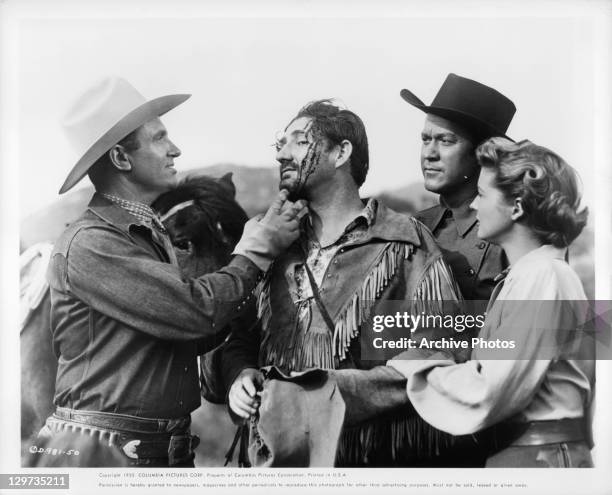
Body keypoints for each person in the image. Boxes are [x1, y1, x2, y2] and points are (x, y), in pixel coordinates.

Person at [37, 77, 307, 467]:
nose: (175, 149)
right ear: (120, 158)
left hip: (158, 454)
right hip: (102, 461)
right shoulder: (93, 243)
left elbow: (180, 338)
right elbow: (195, 311)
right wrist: (258, 249)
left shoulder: (147, 236)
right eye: (160, 138)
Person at [222, 99, 463, 466]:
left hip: (367, 457)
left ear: (340, 152)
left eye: (299, 141)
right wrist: (239, 374)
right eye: (280, 144)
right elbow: (236, 335)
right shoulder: (270, 238)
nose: (282, 155)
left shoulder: (403, 241)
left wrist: (336, 394)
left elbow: (441, 347)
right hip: (273, 457)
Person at [389, 138, 595, 467]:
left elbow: (489, 390)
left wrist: (418, 367)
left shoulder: (541, 277)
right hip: (530, 454)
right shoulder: (536, 274)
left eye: (482, 195)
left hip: (538, 460)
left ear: (516, 208)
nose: (472, 207)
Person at [401, 73, 516, 301]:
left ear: (482, 153)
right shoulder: (412, 228)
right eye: (425, 139)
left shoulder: (511, 231)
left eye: (446, 141)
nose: (429, 154)